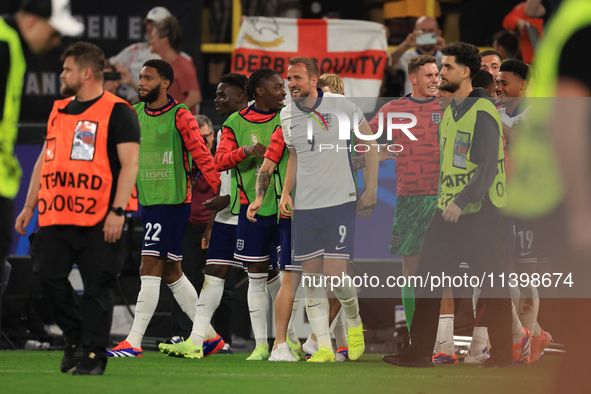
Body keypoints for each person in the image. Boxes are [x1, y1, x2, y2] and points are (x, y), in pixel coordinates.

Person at [383, 42, 513, 368]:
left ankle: (503, 355)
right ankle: (419, 352)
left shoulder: (482, 110)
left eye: (447, 67)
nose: (441, 73)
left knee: (492, 285)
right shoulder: (450, 110)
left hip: (481, 213)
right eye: (441, 68)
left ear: (465, 72)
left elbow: (485, 167)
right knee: (427, 279)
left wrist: (461, 200)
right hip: (448, 213)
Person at [14, 42, 139, 375]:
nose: (62, 74)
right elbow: (45, 158)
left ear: (86, 73)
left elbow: (130, 165)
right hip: (57, 214)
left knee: (99, 286)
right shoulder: (59, 110)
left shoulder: (118, 110)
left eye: (67, 69)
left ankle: (94, 355)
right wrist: (29, 205)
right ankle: (75, 340)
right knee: (47, 275)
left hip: (100, 217)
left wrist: (117, 212)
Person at [160, 69, 284, 360]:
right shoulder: (229, 126)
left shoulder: (279, 119)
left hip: (261, 212)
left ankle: (284, 339)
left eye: (221, 94)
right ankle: (197, 339)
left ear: (243, 96)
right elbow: (222, 168)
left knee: (272, 277)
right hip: (231, 215)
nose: (216, 100)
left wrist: (228, 198)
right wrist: (216, 215)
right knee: (213, 274)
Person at [107, 59, 220, 358]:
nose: (141, 82)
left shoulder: (181, 115)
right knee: (172, 273)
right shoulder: (135, 113)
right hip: (149, 201)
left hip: (172, 202)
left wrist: (222, 191)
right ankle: (209, 337)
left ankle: (132, 342)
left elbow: (201, 155)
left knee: (149, 267)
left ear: (166, 83)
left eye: (148, 78)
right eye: (141, 78)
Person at [280, 57, 379, 363]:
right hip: (306, 206)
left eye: (297, 77)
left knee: (335, 275)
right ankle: (324, 345)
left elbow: (369, 144)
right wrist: (286, 192)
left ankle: (354, 320)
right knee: (311, 277)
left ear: (314, 79)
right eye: (288, 78)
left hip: (340, 200)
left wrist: (371, 189)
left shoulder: (341, 105)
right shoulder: (286, 114)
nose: (291, 83)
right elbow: (294, 157)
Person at [370, 55, 455, 363]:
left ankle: (444, 346)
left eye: (438, 74)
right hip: (409, 198)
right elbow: (363, 138)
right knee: (411, 273)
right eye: (430, 75)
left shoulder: (448, 107)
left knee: (442, 275)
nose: (436, 79)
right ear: (414, 79)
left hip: (444, 199)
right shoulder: (393, 110)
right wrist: (381, 151)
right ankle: (414, 343)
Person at [1, 0, 83, 292]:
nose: (56, 41)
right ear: (33, 21)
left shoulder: (11, 44)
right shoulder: (3, 44)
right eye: (54, 32)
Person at [497, 59, 552, 363]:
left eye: (505, 82)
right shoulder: (495, 113)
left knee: (525, 272)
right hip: (501, 205)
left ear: (524, 85)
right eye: (498, 81)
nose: (499, 87)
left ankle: (528, 345)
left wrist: (496, 123)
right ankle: (533, 335)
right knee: (503, 276)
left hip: (529, 205)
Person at [109, 6, 171, 102]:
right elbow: (108, 66)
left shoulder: (178, 59)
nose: (150, 28)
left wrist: (130, 81)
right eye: (148, 23)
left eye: (154, 24)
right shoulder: (135, 50)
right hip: (133, 106)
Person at [150, 16, 201, 115]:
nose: (150, 41)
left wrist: (173, 113)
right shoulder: (160, 65)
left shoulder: (183, 65)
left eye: (153, 38)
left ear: (164, 40)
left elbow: (195, 96)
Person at [388, 16, 446, 95]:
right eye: (422, 31)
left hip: (438, 106)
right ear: (415, 32)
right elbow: (387, 65)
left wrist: (446, 51)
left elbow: (462, 72)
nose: (426, 34)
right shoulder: (407, 56)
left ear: (438, 33)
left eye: (430, 31)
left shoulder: (445, 57)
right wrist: (406, 44)